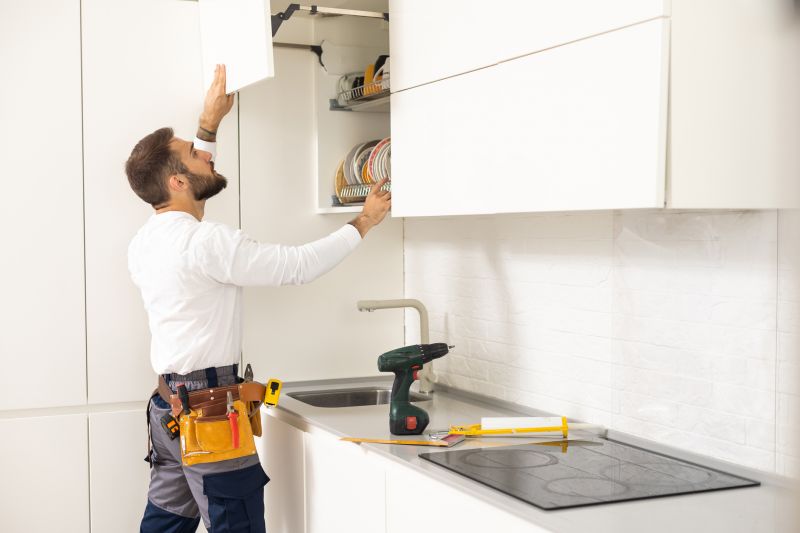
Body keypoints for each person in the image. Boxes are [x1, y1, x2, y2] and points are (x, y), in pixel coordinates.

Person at [126, 64, 391, 533]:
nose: (206, 156)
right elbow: (298, 266)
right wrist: (364, 221)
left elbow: (198, 190)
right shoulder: (206, 244)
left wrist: (209, 125)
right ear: (177, 182)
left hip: (169, 409)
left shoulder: (146, 242)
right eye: (194, 153)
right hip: (209, 418)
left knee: (163, 527)